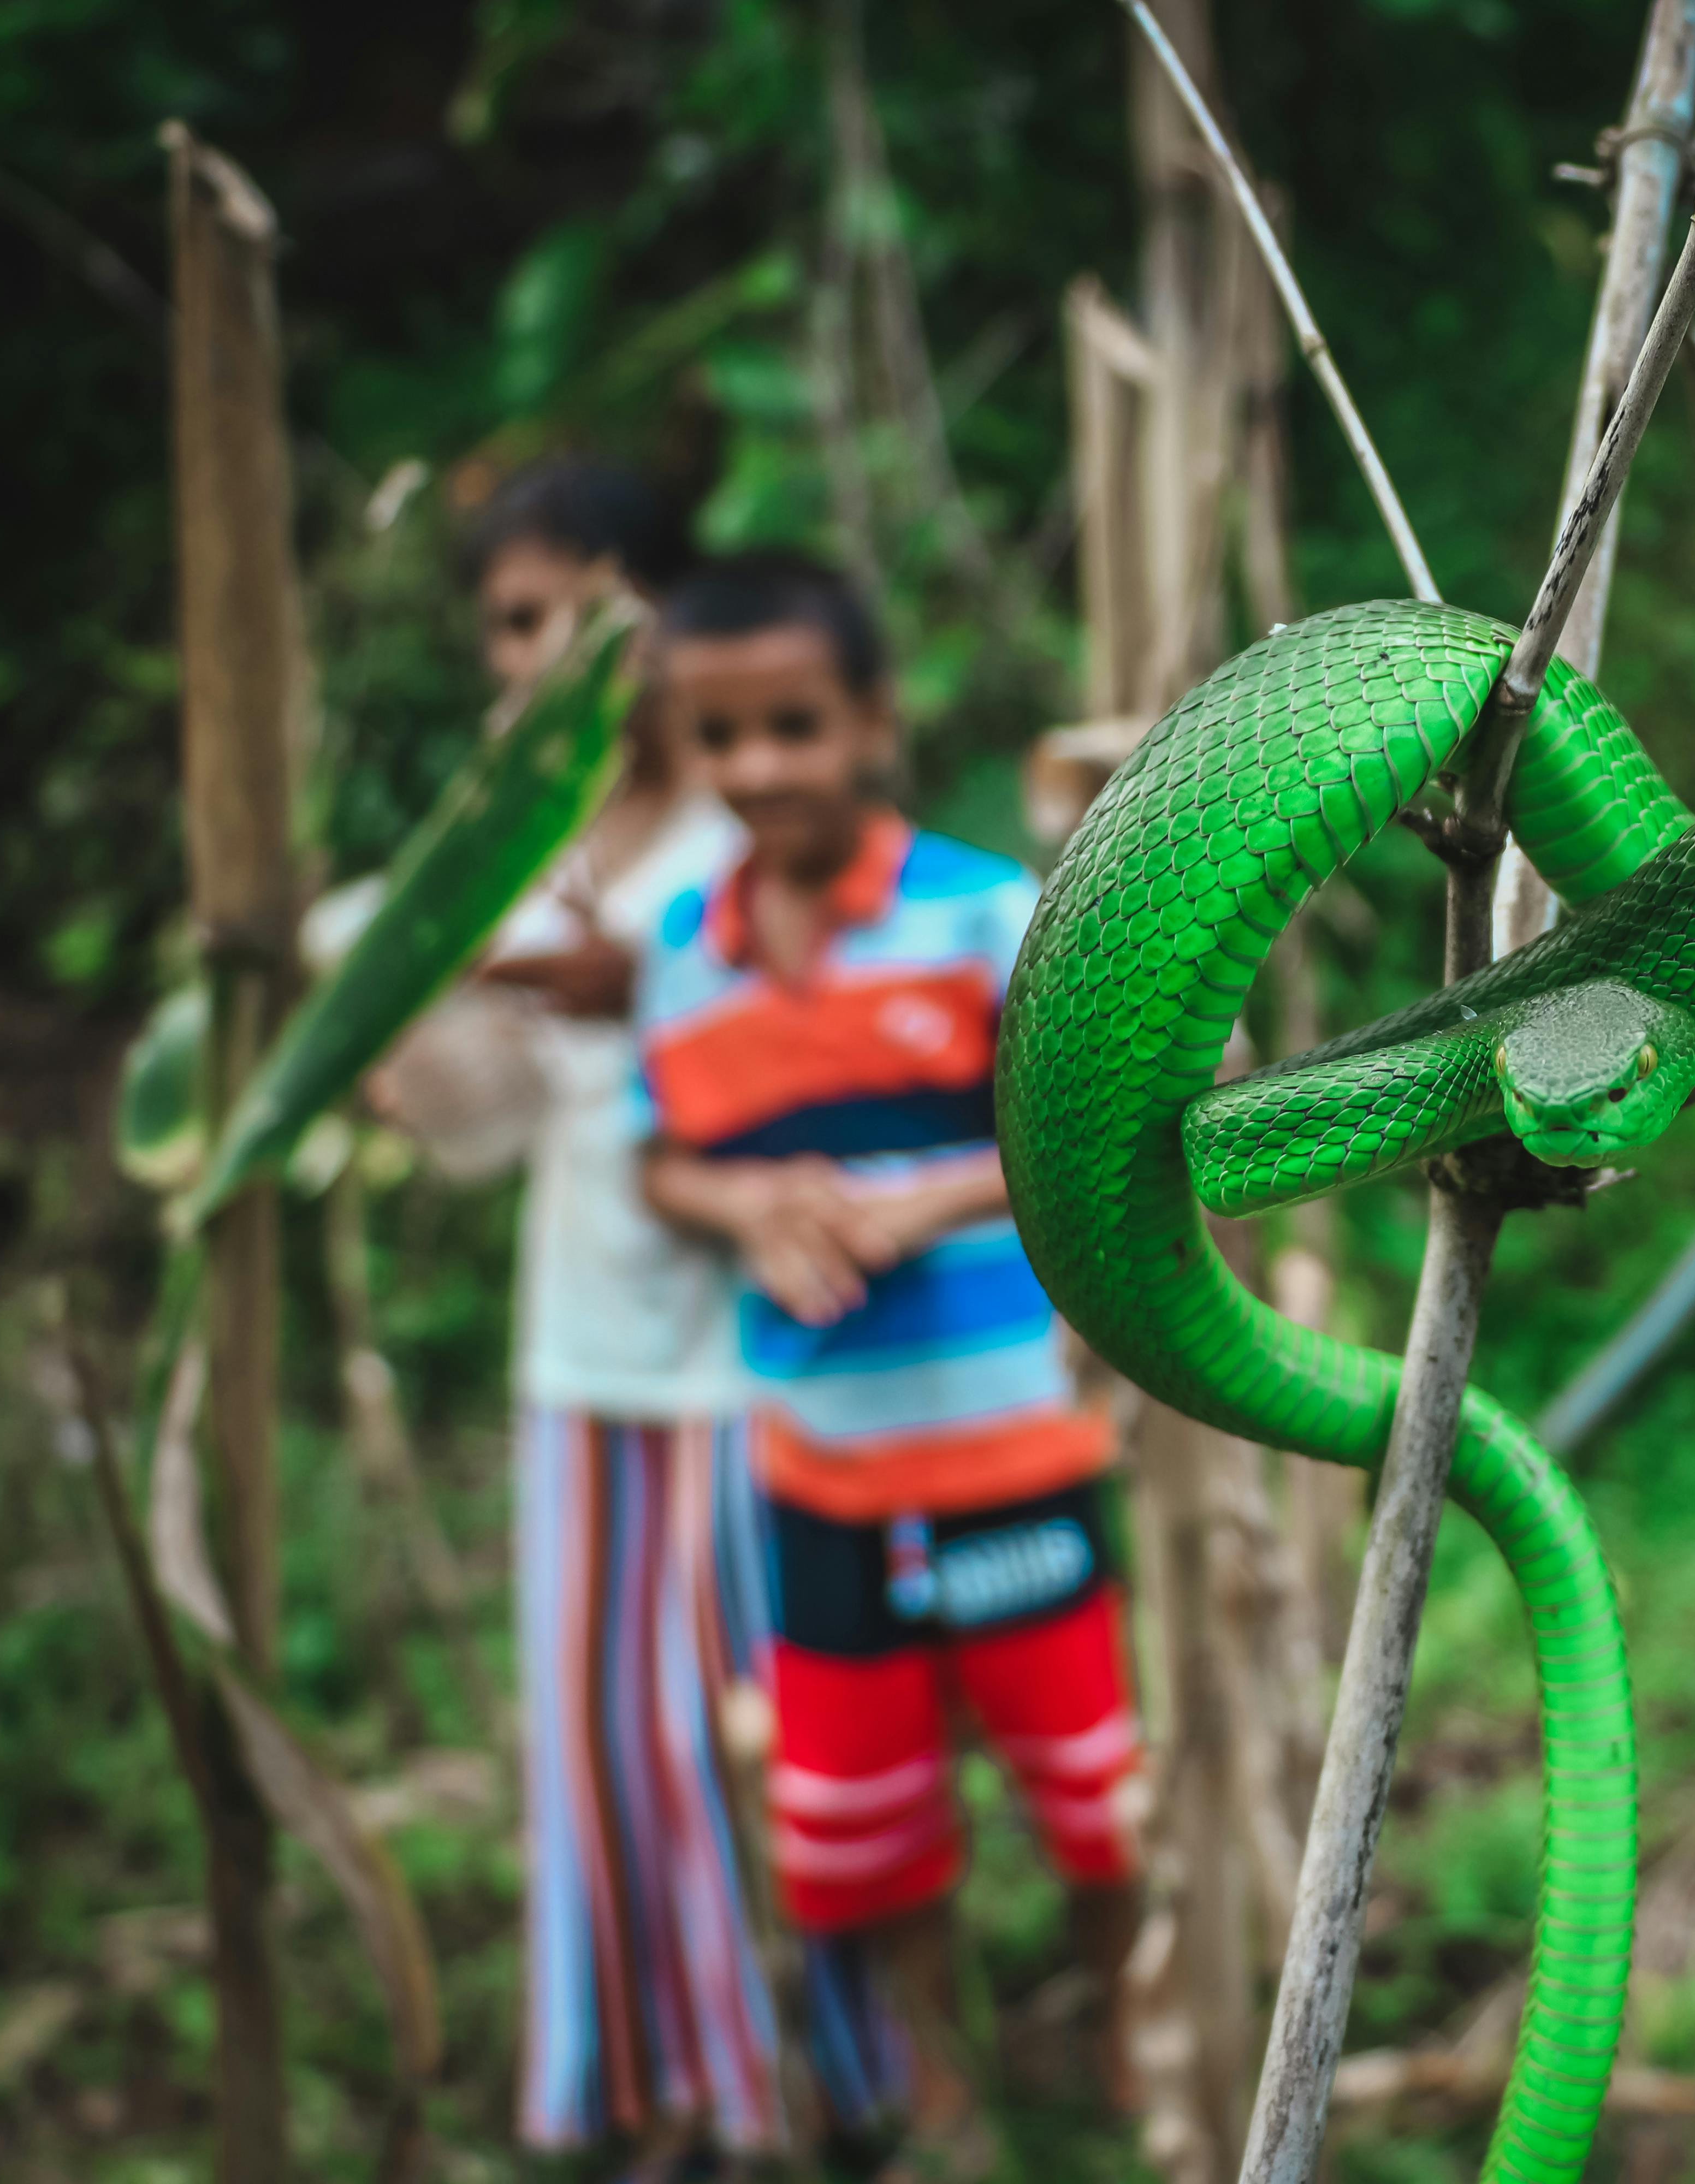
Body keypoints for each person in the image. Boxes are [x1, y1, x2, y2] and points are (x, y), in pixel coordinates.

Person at [633, 555, 1145, 2178]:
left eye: (796, 723)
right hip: (818, 1473)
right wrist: (747, 1198)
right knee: (860, 1821)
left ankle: (1129, 2030)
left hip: (1009, 1452)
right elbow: (661, 1158)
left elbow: (1090, 1132)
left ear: (871, 720)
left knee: (1090, 1792)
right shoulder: (682, 948)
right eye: (725, 734)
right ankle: (940, 2080)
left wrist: (933, 1191)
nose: (763, 765)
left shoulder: (986, 911)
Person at [372, 461, 790, 2171]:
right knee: (604, 1761)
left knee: (741, 1746)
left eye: (554, 614)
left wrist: (658, 989)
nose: (526, 657)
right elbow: (477, 1129)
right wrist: (399, 1017)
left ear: (650, 619)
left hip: (750, 1365)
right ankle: (651, 2093)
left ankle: (798, 2087)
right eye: (505, 625)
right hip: (582, 1362)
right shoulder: (512, 855)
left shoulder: (756, 827)